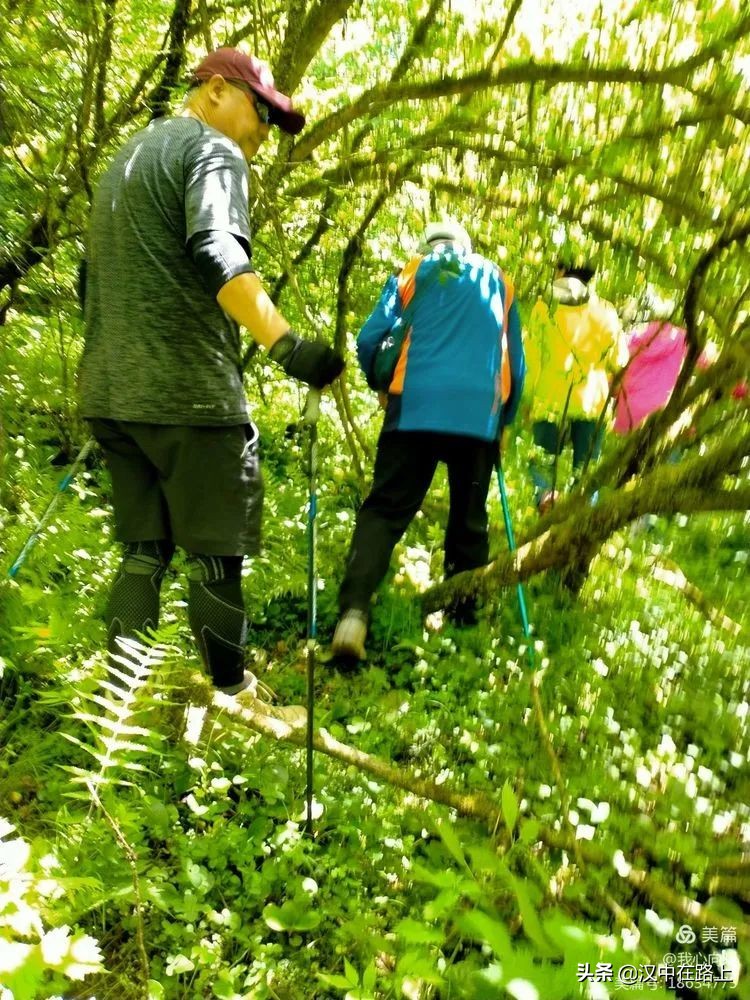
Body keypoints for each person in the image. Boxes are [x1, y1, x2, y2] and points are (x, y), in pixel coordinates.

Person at [77, 48, 344, 711]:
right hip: (189, 398)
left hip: (112, 395)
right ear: (216, 90)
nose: (260, 132)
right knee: (214, 559)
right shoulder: (211, 151)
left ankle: (119, 710)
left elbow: (89, 280)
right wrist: (287, 346)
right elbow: (217, 250)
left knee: (143, 556)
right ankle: (236, 702)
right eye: (259, 111)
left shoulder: (127, 158)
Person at [331, 221, 526, 660]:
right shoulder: (500, 281)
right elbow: (517, 359)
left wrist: (378, 384)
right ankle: (463, 624)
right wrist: (504, 420)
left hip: (414, 402)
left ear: (427, 246)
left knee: (384, 510)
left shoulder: (411, 272)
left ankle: (353, 616)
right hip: (479, 413)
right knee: (469, 520)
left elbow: (368, 340)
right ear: (466, 246)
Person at [524, 261, 627, 512]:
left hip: (549, 401)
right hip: (592, 401)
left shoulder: (544, 310)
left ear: (561, 272)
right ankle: (579, 519)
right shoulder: (605, 312)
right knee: (586, 472)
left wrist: (526, 400)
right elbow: (620, 360)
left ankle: (547, 502)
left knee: (544, 465)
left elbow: (531, 360)